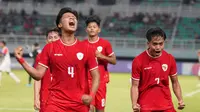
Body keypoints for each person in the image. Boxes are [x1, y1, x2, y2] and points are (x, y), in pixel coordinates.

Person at [14, 7, 100, 112]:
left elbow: (96, 76)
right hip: (55, 103)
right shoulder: (50, 48)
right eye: (68, 17)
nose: (72, 18)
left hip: (79, 104)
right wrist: (21, 60)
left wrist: (91, 96)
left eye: (74, 17)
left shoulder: (87, 48)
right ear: (60, 24)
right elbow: (38, 75)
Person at [131, 27, 185, 112]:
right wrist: (134, 103)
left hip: (166, 105)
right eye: (155, 44)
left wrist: (180, 99)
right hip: (145, 106)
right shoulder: (138, 61)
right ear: (148, 43)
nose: (158, 47)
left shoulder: (170, 58)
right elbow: (134, 86)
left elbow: (175, 82)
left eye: (161, 43)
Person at [83, 15, 116, 112]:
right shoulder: (82, 45)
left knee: (100, 110)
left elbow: (114, 60)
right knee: (88, 108)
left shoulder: (105, 44)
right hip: (87, 82)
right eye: (89, 27)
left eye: (94, 27)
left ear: (99, 29)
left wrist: (102, 56)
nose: (92, 29)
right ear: (86, 29)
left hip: (101, 82)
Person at [34, 28, 60, 112]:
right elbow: (37, 79)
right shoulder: (40, 56)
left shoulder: (68, 55)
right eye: (50, 37)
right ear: (46, 40)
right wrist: (36, 98)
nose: (53, 40)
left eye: (55, 37)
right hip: (46, 98)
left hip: (63, 99)